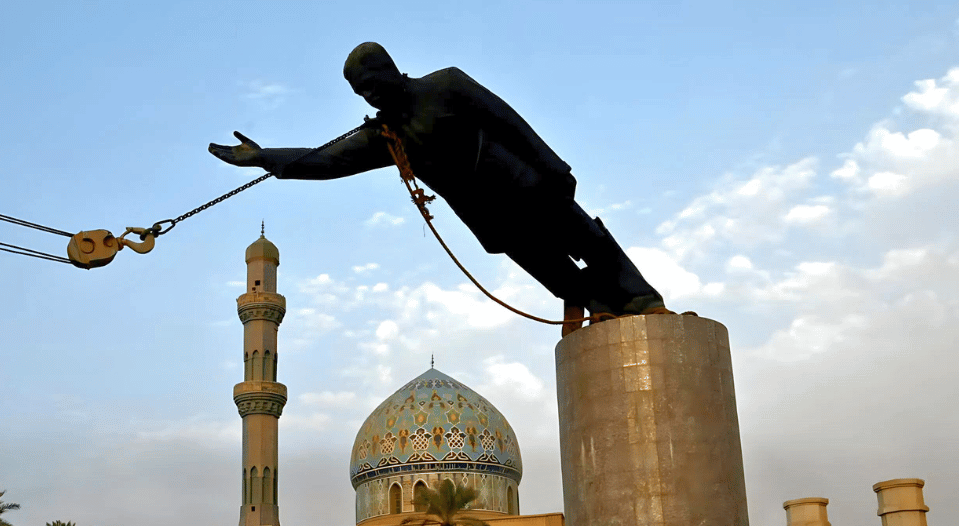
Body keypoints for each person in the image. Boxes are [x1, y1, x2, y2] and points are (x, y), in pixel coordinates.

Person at [208, 42, 669, 319]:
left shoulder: (446, 84)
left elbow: (509, 121)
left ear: (389, 69)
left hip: (529, 186)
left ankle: (642, 300)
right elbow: (327, 161)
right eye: (360, 91)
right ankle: (598, 306)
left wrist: (555, 167)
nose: (369, 94)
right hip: (492, 218)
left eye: (372, 82)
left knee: (589, 239)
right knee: (549, 266)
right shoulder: (384, 137)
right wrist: (264, 157)